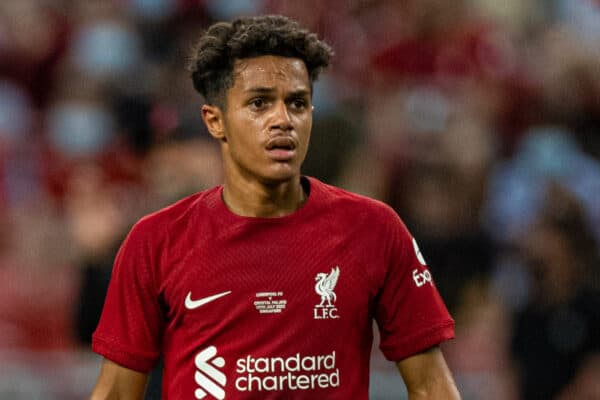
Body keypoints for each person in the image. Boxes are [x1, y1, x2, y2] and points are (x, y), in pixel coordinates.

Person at [89, 15, 460, 400]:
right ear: (215, 121)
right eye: (259, 103)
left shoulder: (375, 229)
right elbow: (116, 392)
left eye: (297, 103)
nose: (283, 120)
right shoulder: (156, 241)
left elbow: (433, 386)